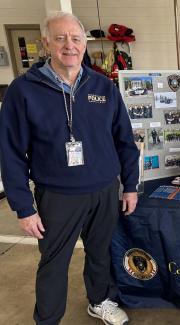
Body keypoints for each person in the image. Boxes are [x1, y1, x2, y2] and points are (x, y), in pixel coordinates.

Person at [0, 12, 139, 325]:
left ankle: (100, 300)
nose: (69, 45)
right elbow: (10, 153)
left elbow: (125, 141)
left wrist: (130, 185)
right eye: (60, 38)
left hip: (104, 190)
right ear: (46, 43)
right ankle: (48, 319)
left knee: (100, 253)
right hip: (57, 196)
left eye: (75, 38)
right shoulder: (23, 91)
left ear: (84, 43)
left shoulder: (104, 87)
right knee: (53, 262)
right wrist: (24, 207)